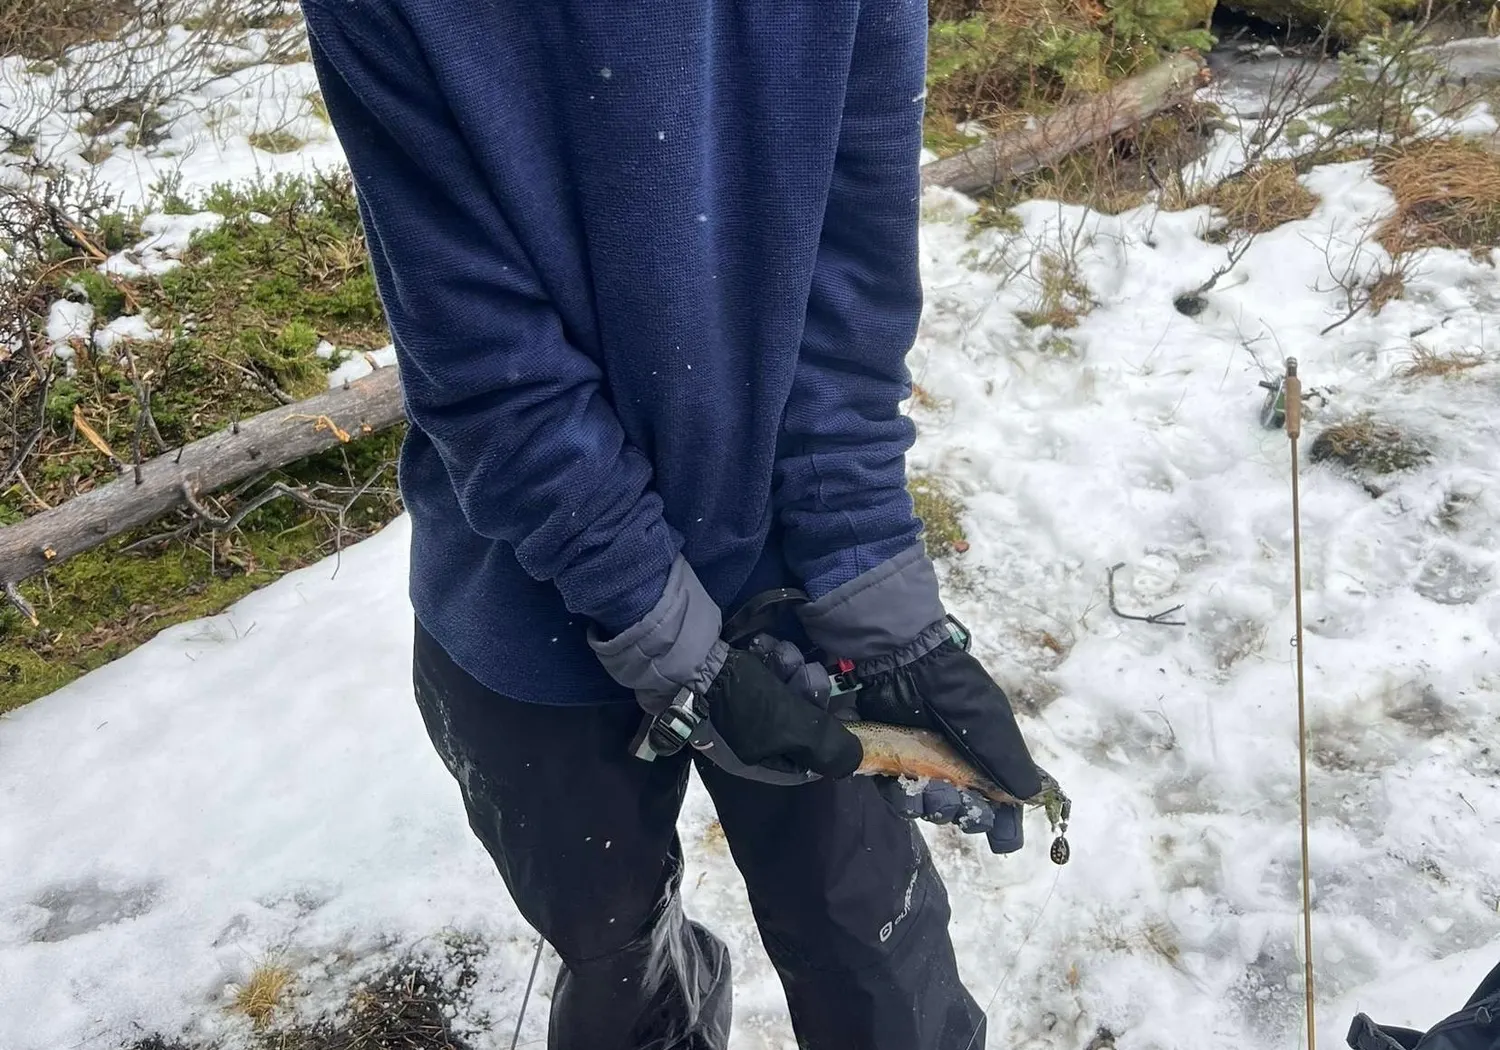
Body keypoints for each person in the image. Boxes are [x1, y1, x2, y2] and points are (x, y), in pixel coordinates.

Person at [300, 1, 1047, 1046]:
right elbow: (487, 366)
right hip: (536, 595)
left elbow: (849, 284)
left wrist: (884, 609)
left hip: (794, 598)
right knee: (617, 965)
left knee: (881, 972)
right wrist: (678, 652)